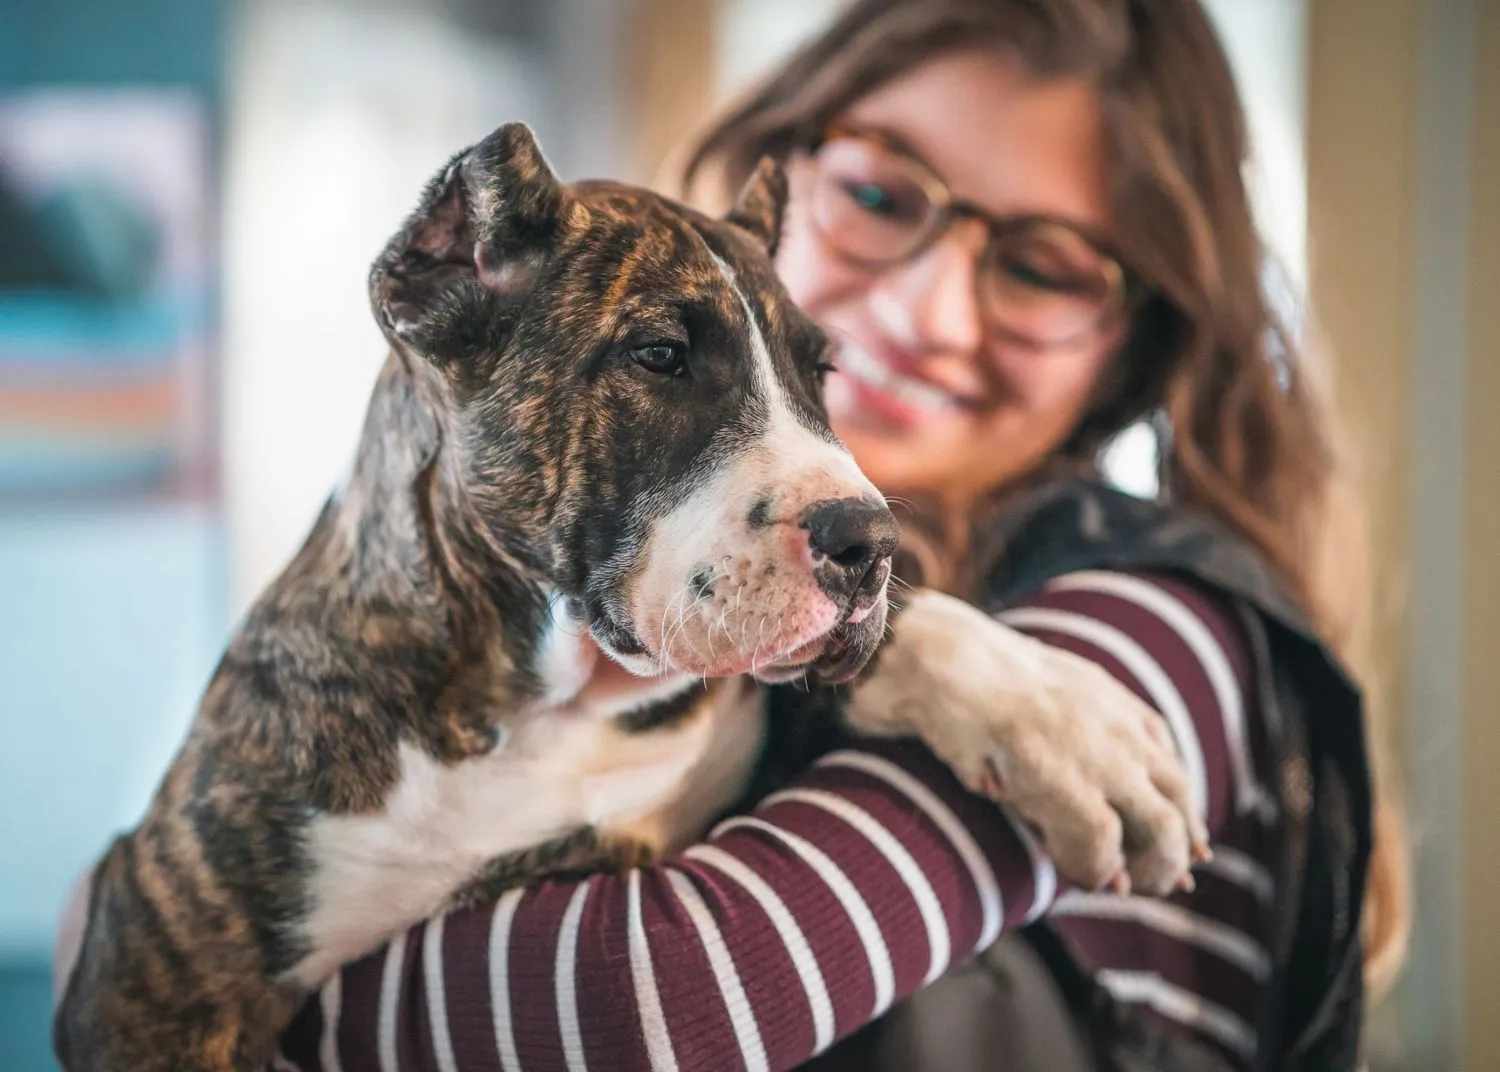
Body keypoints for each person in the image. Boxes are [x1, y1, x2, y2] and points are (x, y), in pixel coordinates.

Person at [59, 1, 1408, 1069]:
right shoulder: (640, 627)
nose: (932, 315)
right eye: (886, 196)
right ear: (795, 177)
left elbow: (677, 1000)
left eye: (1045, 266)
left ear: (1134, 350)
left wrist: (169, 956)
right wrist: (152, 959)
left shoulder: (1167, 618)